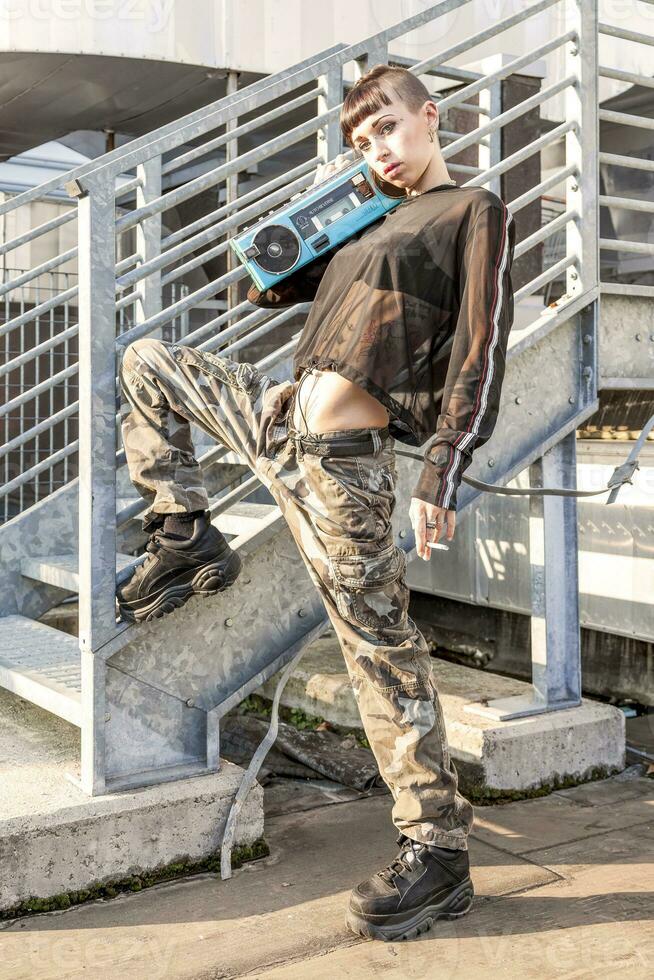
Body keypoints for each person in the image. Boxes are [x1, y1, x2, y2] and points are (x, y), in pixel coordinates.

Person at [117, 63, 515, 942]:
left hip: (344, 467)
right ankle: (181, 530)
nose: (380, 148)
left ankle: (438, 852)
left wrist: (442, 467)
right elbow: (267, 284)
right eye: (362, 141)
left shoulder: (468, 213)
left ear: (430, 117)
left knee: (382, 650)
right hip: (276, 423)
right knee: (147, 362)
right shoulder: (371, 214)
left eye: (388, 130)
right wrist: (330, 204)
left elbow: (480, 349)